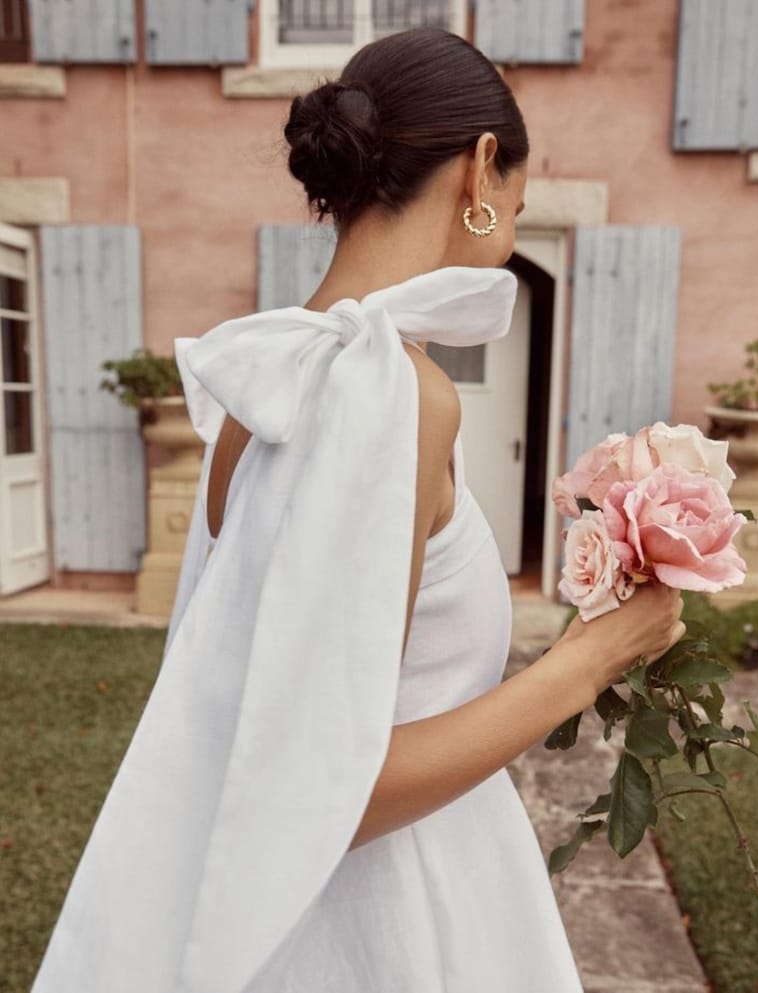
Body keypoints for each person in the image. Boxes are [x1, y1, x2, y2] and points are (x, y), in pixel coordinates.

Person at [31, 25, 685, 993]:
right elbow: (322, 792)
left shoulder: (265, 385)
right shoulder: (386, 393)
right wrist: (590, 659)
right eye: (517, 200)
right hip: (379, 923)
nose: (511, 223)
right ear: (481, 167)